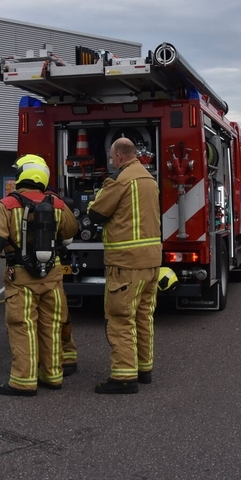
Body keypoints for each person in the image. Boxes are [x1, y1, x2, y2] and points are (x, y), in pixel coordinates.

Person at [0, 155, 78, 396]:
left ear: (22, 175)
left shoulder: (6, 205)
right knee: (51, 326)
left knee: (23, 327)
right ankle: (52, 375)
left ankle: (23, 381)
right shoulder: (56, 204)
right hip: (52, 277)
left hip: (20, 278)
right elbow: (72, 230)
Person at [86, 137, 162, 395]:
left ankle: (123, 377)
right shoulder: (149, 179)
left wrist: (96, 195)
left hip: (126, 264)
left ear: (119, 156)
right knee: (143, 317)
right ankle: (144, 369)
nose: (111, 160)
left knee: (120, 319)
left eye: (111, 156)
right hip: (151, 263)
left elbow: (95, 213)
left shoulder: (121, 180)